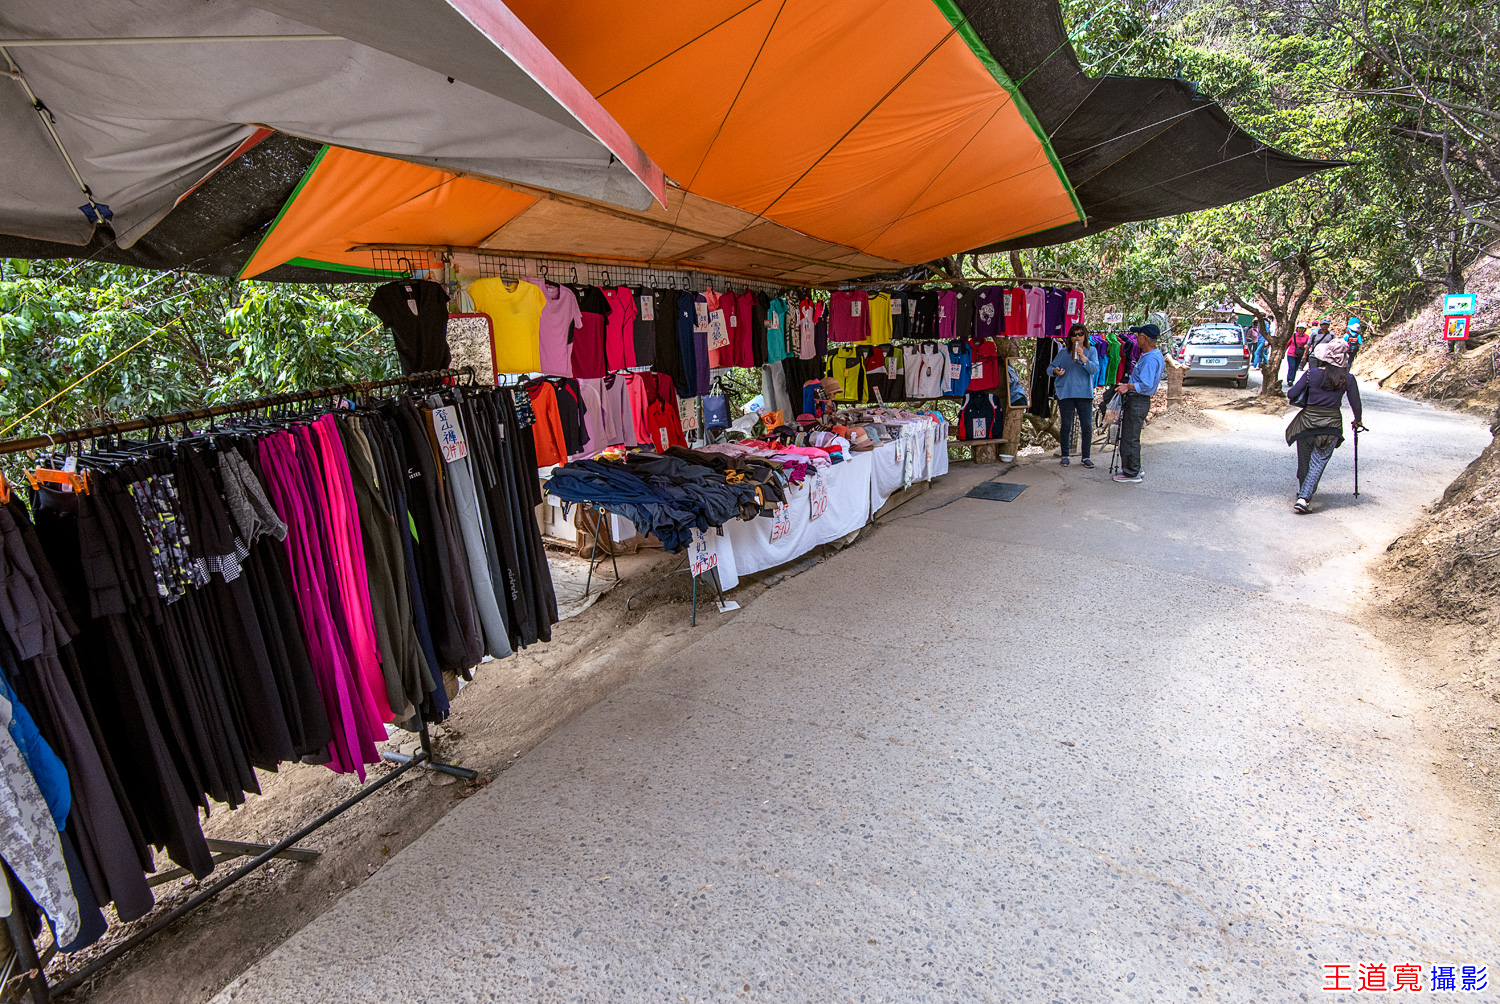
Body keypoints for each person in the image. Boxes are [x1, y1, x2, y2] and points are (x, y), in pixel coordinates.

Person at [1285, 339, 1364, 513]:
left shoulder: (1311, 374)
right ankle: (1304, 497)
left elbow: (1292, 393)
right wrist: (1357, 420)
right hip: (1331, 426)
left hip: (1306, 424)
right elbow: (1355, 404)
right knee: (1318, 462)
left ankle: (1303, 493)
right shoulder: (1348, 379)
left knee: (1304, 462)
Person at [1112, 323, 1164, 484]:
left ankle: (1131, 472)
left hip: (1138, 400)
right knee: (1131, 435)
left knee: (1130, 437)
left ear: (1144, 338)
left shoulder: (1150, 359)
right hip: (1139, 400)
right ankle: (1133, 467)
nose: (1135, 339)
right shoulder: (1152, 355)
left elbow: (1146, 384)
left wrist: (1128, 386)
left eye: (1138, 336)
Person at [1049, 324, 1100, 468]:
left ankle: (1086, 457)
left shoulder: (1092, 351)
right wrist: (1056, 371)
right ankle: (1065, 455)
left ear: (1085, 336)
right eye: (1074, 334)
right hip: (1066, 393)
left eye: (1080, 334)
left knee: (1086, 426)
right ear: (1070, 337)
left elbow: (1094, 369)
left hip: (1084, 394)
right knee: (1066, 425)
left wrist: (1083, 357)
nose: (1077, 337)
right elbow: (1049, 368)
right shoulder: (1063, 352)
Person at [1285, 322, 1310, 389]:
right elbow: (1287, 343)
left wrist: (1305, 354)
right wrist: (1283, 352)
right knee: (1292, 366)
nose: (1301, 330)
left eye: (1302, 328)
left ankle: (1292, 379)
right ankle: (1289, 379)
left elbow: (1308, 345)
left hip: (1299, 354)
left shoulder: (1306, 336)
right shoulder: (1293, 335)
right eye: (1300, 328)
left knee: (1296, 367)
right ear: (1297, 329)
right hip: (1291, 353)